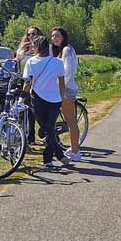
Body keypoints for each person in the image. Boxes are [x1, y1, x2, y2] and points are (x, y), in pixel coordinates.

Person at [22, 34, 67, 169]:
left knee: (48, 129)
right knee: (49, 128)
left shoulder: (30, 62)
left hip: (38, 98)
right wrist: (63, 98)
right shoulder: (58, 63)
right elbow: (61, 83)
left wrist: (22, 96)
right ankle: (59, 154)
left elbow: (27, 82)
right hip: (55, 99)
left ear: (36, 47)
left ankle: (48, 159)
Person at [51, 27, 81, 161]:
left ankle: (75, 152)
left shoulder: (67, 50)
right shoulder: (61, 50)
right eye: (52, 36)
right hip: (64, 88)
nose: (54, 38)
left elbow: (68, 72)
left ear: (63, 37)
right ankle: (73, 149)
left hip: (66, 89)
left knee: (70, 120)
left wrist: (60, 89)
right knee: (69, 120)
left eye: (57, 36)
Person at [16, 26, 44, 142]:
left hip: (39, 80)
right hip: (25, 80)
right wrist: (23, 48)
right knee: (27, 109)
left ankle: (46, 131)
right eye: (29, 34)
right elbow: (18, 58)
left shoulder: (42, 46)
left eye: (33, 34)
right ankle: (30, 135)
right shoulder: (24, 46)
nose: (31, 36)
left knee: (37, 108)